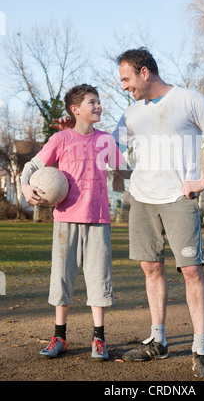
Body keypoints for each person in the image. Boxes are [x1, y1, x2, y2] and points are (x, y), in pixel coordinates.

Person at [112, 48, 204, 380]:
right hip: (141, 200)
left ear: (144, 72)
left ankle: (200, 347)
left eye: (126, 79)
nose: (124, 87)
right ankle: (158, 339)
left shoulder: (188, 99)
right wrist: (129, 174)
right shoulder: (132, 114)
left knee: (191, 270)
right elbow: (108, 150)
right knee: (151, 267)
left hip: (178, 199)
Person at [21, 84, 126, 361]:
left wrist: (128, 144)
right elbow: (32, 166)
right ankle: (59, 337)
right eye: (92, 102)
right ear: (75, 109)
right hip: (65, 220)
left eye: (99, 102)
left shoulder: (106, 141)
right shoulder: (61, 139)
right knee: (62, 280)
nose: (98, 106)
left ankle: (99, 339)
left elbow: (126, 171)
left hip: (98, 220)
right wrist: (24, 186)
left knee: (99, 280)